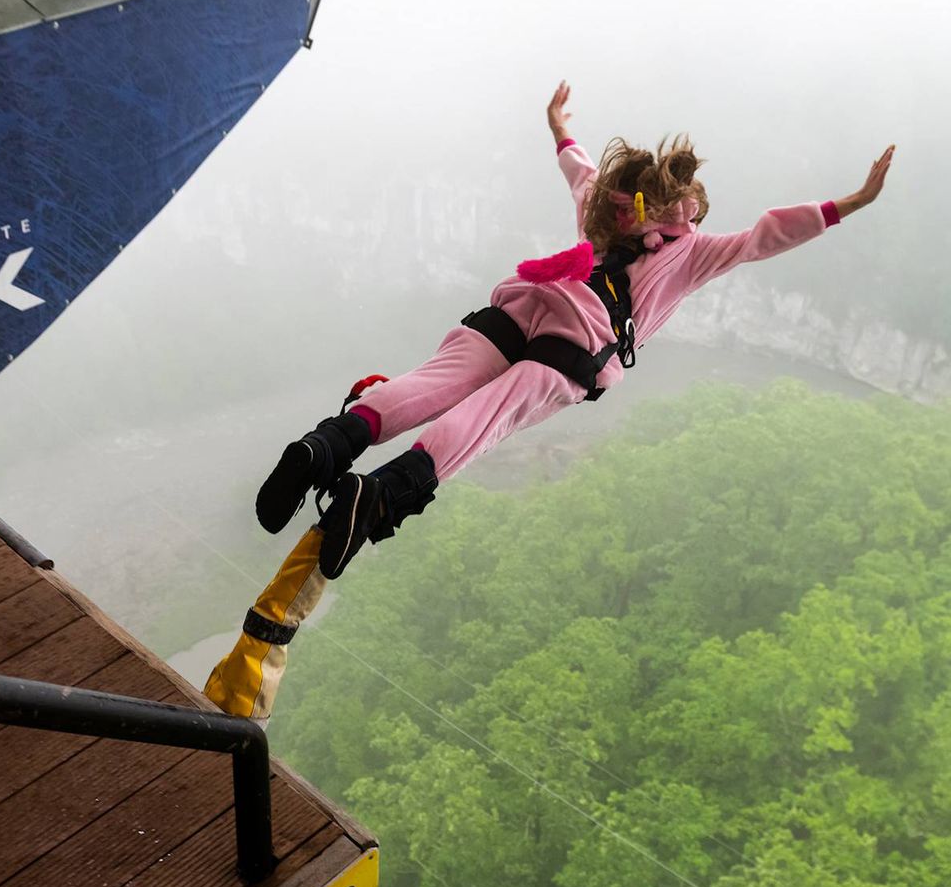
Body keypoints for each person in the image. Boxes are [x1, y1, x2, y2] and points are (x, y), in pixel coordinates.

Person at [257, 82, 895, 579]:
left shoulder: (605, 207)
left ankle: (329, 444)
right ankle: (375, 498)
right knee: (488, 415)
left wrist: (560, 126)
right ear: (691, 210)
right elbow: (766, 235)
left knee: (435, 384)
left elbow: (577, 165)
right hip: (580, 339)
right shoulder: (694, 250)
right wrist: (852, 203)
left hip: (529, 300)